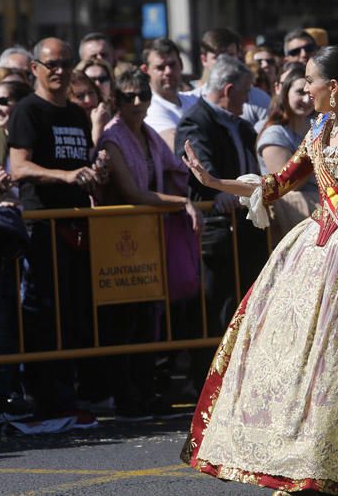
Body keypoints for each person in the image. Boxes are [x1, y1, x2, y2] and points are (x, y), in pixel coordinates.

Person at [180, 44, 338, 495]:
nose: (305, 89)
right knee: (304, 363)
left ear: (334, 86)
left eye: (310, 80)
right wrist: (214, 182)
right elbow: (276, 184)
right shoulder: (319, 132)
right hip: (313, 252)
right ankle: (307, 463)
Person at [8, 37, 107, 420]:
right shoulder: (27, 111)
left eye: (65, 63)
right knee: (45, 314)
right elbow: (19, 168)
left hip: (76, 225)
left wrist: (94, 174)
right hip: (42, 226)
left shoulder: (77, 115)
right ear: (35, 68)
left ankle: (71, 393)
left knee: (74, 312)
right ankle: (49, 398)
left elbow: (80, 167)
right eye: (51, 64)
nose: (60, 70)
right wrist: (65, 176)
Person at [95, 66, 201, 420]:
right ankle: (126, 397)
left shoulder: (150, 134)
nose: (138, 101)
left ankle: (145, 390)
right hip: (118, 237)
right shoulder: (112, 137)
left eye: (143, 95)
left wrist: (202, 178)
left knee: (148, 319)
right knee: (124, 321)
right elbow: (133, 191)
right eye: (129, 96)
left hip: (146, 237)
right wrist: (180, 203)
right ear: (117, 101)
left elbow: (175, 168)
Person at [174, 55, 269, 392]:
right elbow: (200, 172)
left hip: (246, 230)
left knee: (246, 306)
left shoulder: (242, 127)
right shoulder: (196, 123)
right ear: (228, 89)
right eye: (244, 92)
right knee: (214, 310)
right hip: (216, 232)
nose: (248, 100)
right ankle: (207, 381)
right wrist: (219, 193)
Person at [256, 63, 318, 240]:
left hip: (321, 215)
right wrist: (318, 150)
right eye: (300, 92)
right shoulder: (275, 133)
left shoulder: (318, 125)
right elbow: (287, 183)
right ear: (285, 93)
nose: (307, 99)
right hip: (293, 225)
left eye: (310, 92)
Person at [186, 28, 272, 127]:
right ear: (204, 60)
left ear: (238, 56)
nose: (225, 62)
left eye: (230, 55)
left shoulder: (259, 99)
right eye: (217, 57)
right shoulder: (191, 100)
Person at [141, 38, 199, 150]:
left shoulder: (193, 99)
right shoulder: (150, 108)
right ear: (145, 70)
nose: (168, 71)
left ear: (181, 64)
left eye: (172, 64)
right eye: (160, 67)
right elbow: (182, 150)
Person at [68, 71, 110, 145]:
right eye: (79, 96)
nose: (88, 100)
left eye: (91, 93)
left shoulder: (109, 121)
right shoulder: (68, 131)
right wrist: (97, 127)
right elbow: (88, 155)